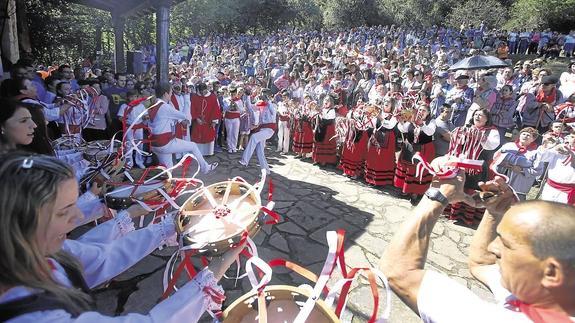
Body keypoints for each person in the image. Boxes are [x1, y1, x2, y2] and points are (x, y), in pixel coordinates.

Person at [0, 152, 244, 322]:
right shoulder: (32, 316)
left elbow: (103, 255)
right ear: (20, 223)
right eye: (63, 211)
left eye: (75, 204)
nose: (77, 217)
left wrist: (170, 223)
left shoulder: (43, 253)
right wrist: (213, 273)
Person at [379, 165, 575, 322]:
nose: (493, 247)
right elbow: (483, 263)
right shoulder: (552, 292)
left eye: (507, 245)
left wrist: (439, 194)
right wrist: (494, 212)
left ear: (552, 271)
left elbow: (398, 272)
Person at [444, 108, 500, 225]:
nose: (477, 116)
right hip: (464, 163)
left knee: (473, 190)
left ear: (487, 119)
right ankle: (453, 214)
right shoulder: (468, 128)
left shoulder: (492, 131)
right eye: (476, 114)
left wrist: (480, 137)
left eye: (481, 115)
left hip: (479, 165)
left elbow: (492, 145)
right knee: (460, 186)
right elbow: (460, 143)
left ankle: (467, 218)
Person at [147, 82, 217, 173]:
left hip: (155, 143)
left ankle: (165, 185)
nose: (171, 94)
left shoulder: (154, 104)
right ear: (165, 94)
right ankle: (205, 168)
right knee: (193, 146)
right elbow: (184, 116)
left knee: (167, 170)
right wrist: (187, 98)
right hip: (165, 143)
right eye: (171, 92)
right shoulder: (165, 107)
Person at [394, 103, 436, 204]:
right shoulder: (412, 119)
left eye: (424, 111)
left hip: (423, 149)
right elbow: (403, 129)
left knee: (418, 171)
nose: (421, 112)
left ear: (428, 113)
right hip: (410, 147)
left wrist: (421, 124)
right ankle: (405, 190)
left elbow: (430, 132)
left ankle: (415, 193)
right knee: (409, 169)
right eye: (420, 110)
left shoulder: (431, 121)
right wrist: (401, 122)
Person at [494, 127, 543, 201]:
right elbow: (495, 157)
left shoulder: (535, 153)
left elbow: (538, 171)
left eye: (528, 135)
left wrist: (522, 170)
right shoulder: (508, 146)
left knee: (516, 209)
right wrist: (503, 163)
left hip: (519, 188)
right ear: (519, 136)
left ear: (533, 139)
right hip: (501, 183)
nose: (525, 136)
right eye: (523, 134)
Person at [364, 98, 398, 186]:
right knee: (373, 156)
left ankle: (380, 181)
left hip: (387, 138)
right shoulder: (379, 113)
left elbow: (390, 125)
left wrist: (380, 118)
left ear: (392, 107)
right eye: (384, 104)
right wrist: (369, 117)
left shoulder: (393, 116)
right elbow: (372, 124)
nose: (384, 106)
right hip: (377, 136)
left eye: (387, 105)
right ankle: (371, 178)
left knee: (382, 159)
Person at [239, 98, 277, 175]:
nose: (259, 109)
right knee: (260, 152)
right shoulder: (260, 111)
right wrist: (248, 96)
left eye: (260, 107)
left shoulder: (271, 107)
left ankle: (244, 160)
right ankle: (266, 171)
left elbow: (273, 111)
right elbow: (250, 107)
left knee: (253, 137)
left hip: (269, 130)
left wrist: (268, 99)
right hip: (262, 130)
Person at [537, 132, 575, 205]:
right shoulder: (559, 148)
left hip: (568, 191)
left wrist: (571, 154)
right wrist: (546, 146)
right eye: (572, 137)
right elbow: (542, 158)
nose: (574, 140)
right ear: (568, 138)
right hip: (550, 188)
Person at [190, 82, 222, 156]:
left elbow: (216, 109)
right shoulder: (195, 97)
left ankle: (208, 152)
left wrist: (214, 121)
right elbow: (192, 108)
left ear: (206, 89)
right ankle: (198, 153)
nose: (202, 94)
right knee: (197, 136)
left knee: (209, 136)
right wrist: (196, 118)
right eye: (201, 92)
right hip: (198, 122)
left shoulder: (213, 97)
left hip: (208, 121)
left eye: (204, 92)